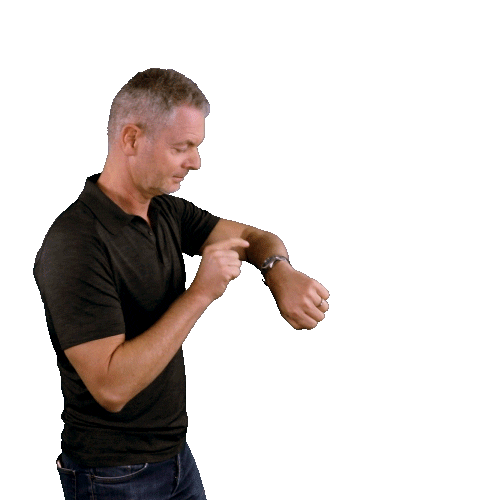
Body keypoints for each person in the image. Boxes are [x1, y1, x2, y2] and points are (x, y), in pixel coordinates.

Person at [33, 68, 329, 500]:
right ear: (132, 139)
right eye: (181, 147)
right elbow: (111, 387)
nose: (196, 161)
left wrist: (279, 271)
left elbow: (255, 237)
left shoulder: (165, 211)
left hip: (175, 458)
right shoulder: (75, 244)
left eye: (196, 146)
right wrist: (201, 293)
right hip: (112, 475)